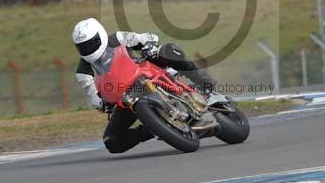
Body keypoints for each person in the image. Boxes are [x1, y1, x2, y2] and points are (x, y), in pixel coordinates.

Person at [72, 18, 221, 154]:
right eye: (83, 47)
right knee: (111, 142)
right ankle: (154, 128)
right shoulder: (83, 71)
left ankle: (204, 82)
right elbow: (92, 93)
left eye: (91, 43)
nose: (88, 49)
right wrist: (101, 104)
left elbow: (146, 38)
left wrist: (149, 45)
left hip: (146, 70)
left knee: (168, 50)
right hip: (126, 97)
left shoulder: (117, 38)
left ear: (100, 35)